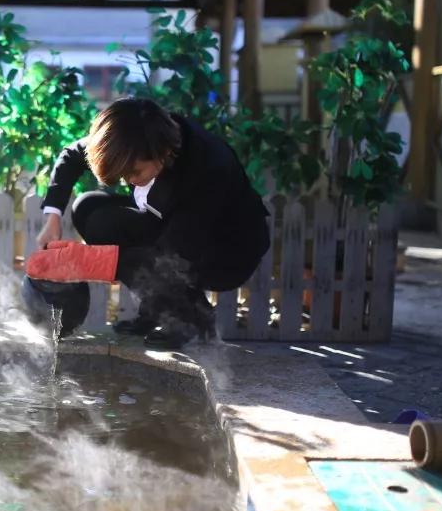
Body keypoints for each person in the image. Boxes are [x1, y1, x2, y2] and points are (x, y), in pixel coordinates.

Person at [27, 97, 270, 349]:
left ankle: (184, 319)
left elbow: (172, 254)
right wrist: (52, 217)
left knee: (147, 260)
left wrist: (85, 261)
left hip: (226, 250)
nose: (129, 181)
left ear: (163, 153)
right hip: (170, 221)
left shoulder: (208, 168)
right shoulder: (132, 137)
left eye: (134, 173)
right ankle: (160, 308)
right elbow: (71, 156)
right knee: (89, 210)